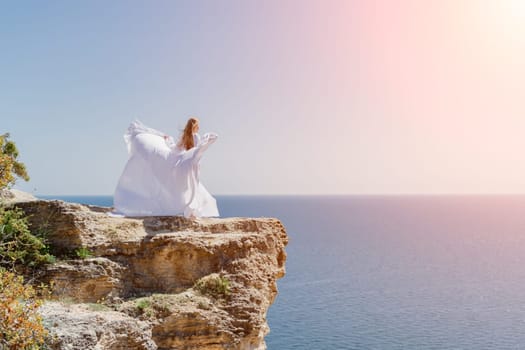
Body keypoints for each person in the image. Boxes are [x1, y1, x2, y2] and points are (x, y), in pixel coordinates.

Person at [113, 118, 219, 218]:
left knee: (183, 188)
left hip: (182, 164)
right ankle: (190, 210)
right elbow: (196, 151)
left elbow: (175, 148)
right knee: (191, 187)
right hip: (190, 165)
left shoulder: (184, 137)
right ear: (196, 126)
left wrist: (169, 141)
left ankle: (187, 209)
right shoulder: (196, 136)